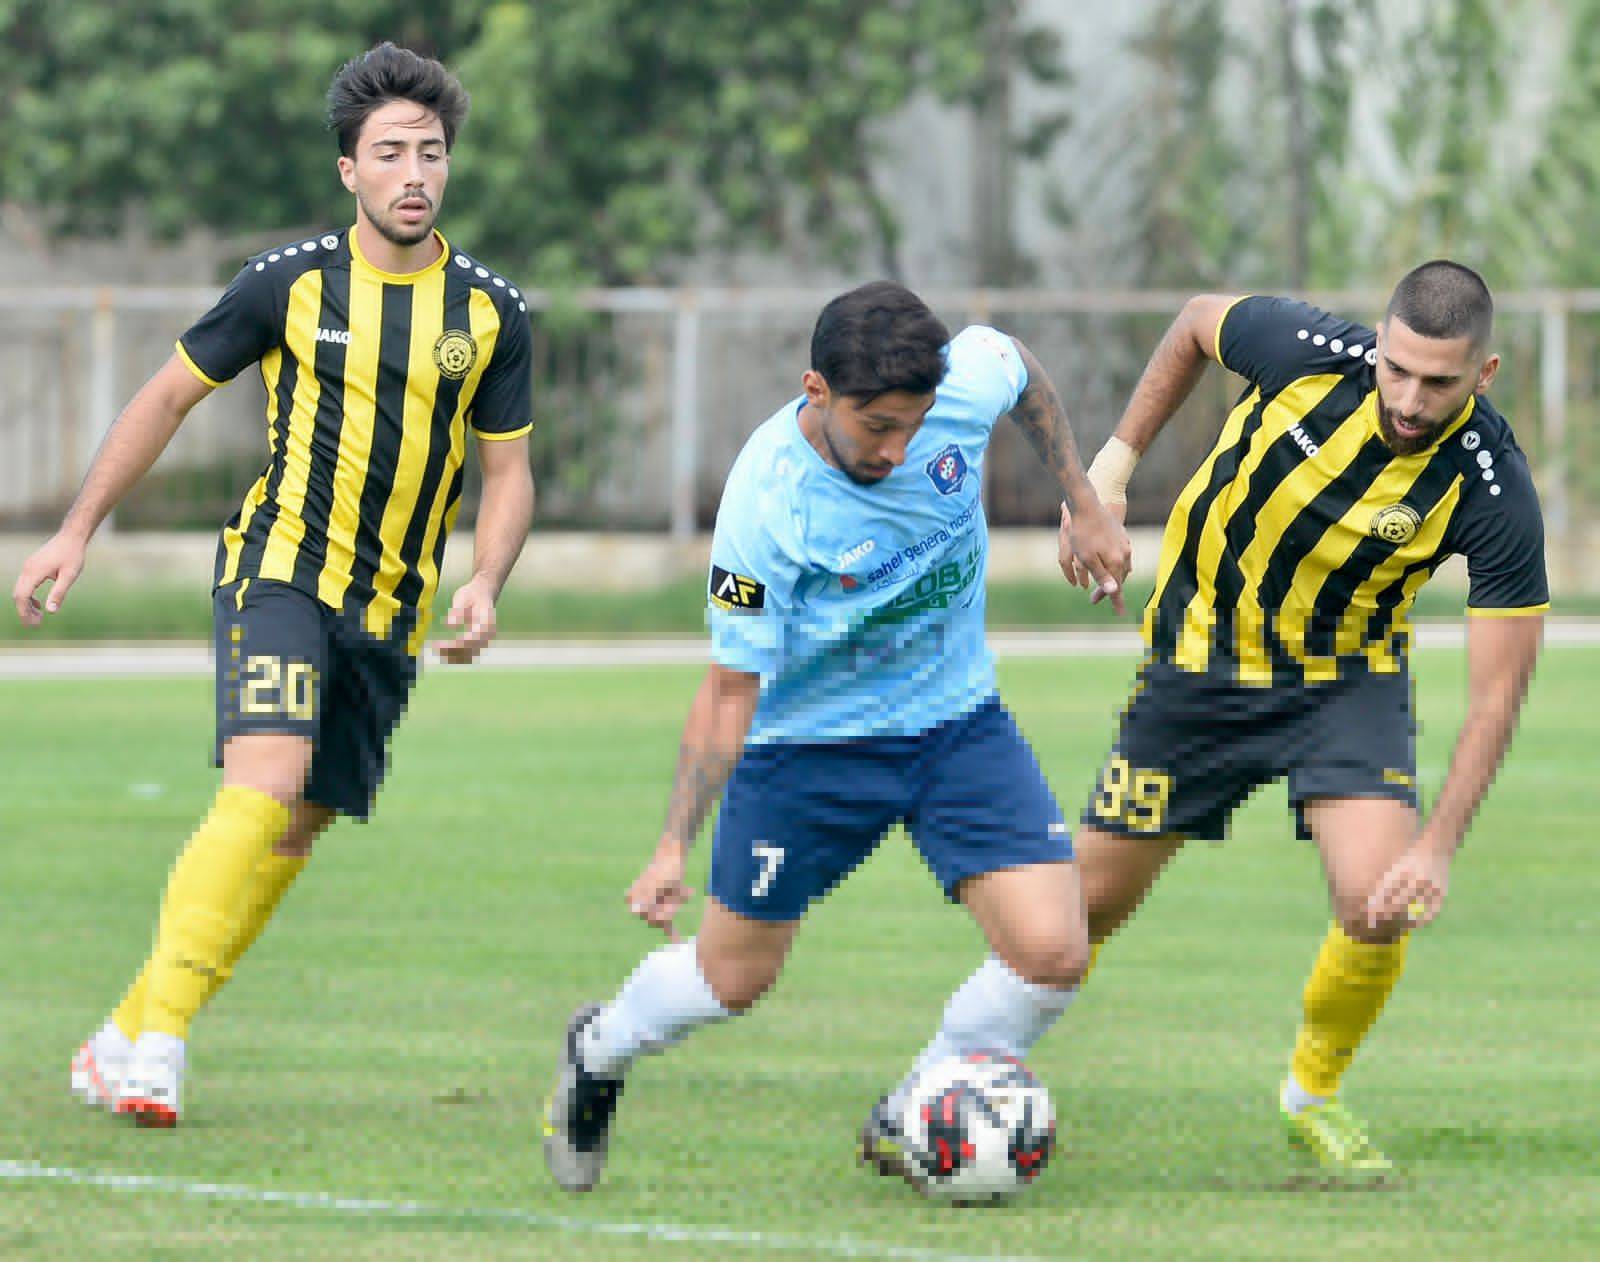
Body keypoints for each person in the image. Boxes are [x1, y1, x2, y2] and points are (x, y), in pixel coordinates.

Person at [12, 42, 536, 1127]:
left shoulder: (491, 312)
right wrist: (75, 529)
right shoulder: (287, 281)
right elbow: (164, 399)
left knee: (295, 828)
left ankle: (123, 1027)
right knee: (263, 779)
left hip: (392, 605)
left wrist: (485, 576)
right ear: (348, 168)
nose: (412, 174)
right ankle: (160, 1046)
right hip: (279, 572)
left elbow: (508, 469)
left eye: (429, 153)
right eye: (388, 152)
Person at [541, 281, 1132, 1192]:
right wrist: (671, 845)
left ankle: (911, 1111)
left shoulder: (961, 388)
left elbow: (1017, 369)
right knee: (734, 978)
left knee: (1054, 950)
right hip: (807, 752)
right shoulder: (767, 503)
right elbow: (730, 689)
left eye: (914, 425)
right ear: (817, 392)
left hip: (956, 726)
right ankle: (601, 1045)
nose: (898, 450)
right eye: (876, 427)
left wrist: (1084, 500)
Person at [1066, 261, 1546, 1177]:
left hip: (1343, 683)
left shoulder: (1491, 482)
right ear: (1382, 341)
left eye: (1439, 382)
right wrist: (1110, 474)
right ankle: (972, 1068)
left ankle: (1312, 1094)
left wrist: (1437, 845)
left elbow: (1499, 690)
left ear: (1482, 376)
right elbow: (1195, 321)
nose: (1408, 398)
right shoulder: (1306, 351)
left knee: (1379, 901)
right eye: (1397, 369)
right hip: (1201, 665)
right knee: (1076, 915)